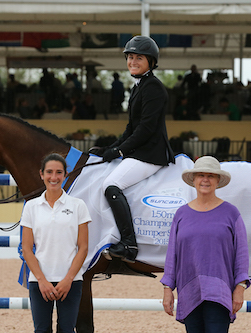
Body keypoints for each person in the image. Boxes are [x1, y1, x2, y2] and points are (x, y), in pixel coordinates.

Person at [93, 35, 175, 263]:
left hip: (150, 154)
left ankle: (129, 243)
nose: (132, 61)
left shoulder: (154, 88)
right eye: (130, 57)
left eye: (138, 57)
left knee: (111, 185)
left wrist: (119, 152)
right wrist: (111, 147)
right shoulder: (139, 87)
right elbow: (131, 128)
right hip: (140, 150)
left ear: (151, 61)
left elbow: (146, 130)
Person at [161, 156, 250, 332]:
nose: (205, 180)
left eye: (211, 175)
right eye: (200, 175)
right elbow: (172, 255)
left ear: (218, 180)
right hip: (189, 290)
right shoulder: (181, 214)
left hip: (220, 291)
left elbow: (242, 253)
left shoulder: (231, 213)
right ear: (193, 180)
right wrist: (167, 288)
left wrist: (240, 287)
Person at [21, 153, 91, 333]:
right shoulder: (31, 206)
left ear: (65, 175)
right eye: (49, 172)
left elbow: (83, 248)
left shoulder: (78, 205)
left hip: (71, 281)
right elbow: (27, 249)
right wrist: (42, 280)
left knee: (67, 330)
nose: (54, 177)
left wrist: (68, 279)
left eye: (59, 172)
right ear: (41, 174)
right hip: (39, 281)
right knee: (41, 330)